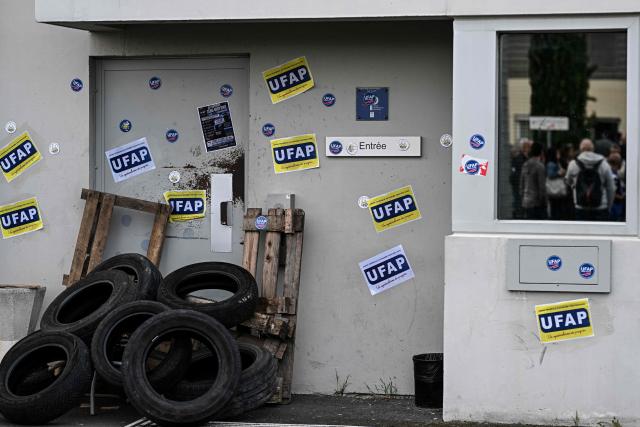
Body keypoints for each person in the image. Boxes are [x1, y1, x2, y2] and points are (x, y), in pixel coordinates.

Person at [565, 138, 615, 221]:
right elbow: (611, 188)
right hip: (601, 207)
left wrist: (576, 187)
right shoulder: (604, 164)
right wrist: (608, 206)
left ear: (581, 149)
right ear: (593, 149)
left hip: (580, 206)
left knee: (582, 233)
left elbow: (568, 181)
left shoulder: (573, 164)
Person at [519, 142, 546, 219]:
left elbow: (522, 183)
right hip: (536, 203)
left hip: (526, 201)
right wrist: (543, 202)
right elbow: (542, 187)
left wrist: (522, 197)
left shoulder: (525, 164)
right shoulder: (540, 166)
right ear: (541, 152)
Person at [510, 138, 531, 219]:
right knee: (519, 202)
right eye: (528, 147)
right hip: (519, 185)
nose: (530, 149)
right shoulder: (520, 159)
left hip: (522, 185)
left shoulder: (525, 158)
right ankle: (519, 216)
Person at [608, 151, 625, 221]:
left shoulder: (610, 172)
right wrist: (622, 197)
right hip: (616, 205)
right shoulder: (613, 175)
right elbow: (612, 192)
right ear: (618, 163)